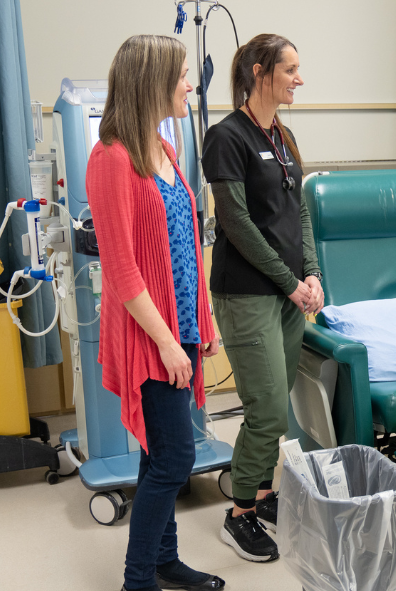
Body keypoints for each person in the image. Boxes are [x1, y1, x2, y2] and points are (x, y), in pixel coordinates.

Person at [86, 35, 224, 591]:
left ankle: (163, 561)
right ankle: (137, 578)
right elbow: (122, 272)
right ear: (153, 81)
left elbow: (187, 244)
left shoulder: (163, 149)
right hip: (150, 334)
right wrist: (167, 341)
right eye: (183, 74)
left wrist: (202, 321)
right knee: (174, 458)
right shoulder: (111, 159)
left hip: (181, 324)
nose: (191, 84)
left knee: (158, 453)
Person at [201, 33, 322, 562]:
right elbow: (239, 225)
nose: (300, 78)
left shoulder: (284, 136)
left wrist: (312, 273)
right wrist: (290, 282)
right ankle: (239, 514)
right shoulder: (225, 137)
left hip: (290, 293)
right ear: (259, 71)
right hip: (249, 291)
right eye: (290, 69)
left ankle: (263, 493)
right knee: (267, 408)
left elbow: (299, 213)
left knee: (278, 405)